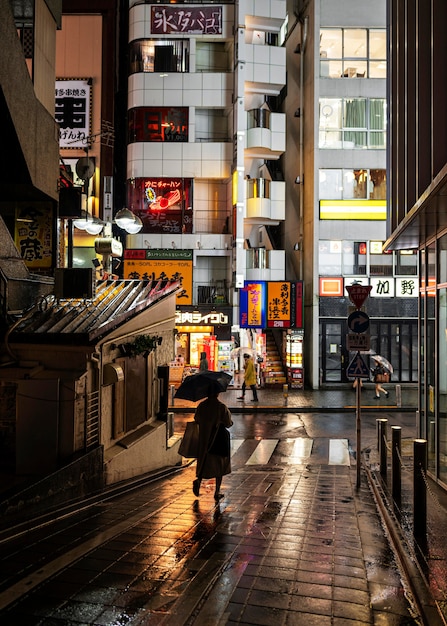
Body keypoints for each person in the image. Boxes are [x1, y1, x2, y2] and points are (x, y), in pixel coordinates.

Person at [193, 387, 233, 501]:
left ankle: (198, 481)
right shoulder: (221, 407)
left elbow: (196, 419)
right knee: (219, 465)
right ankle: (217, 491)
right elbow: (228, 423)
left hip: (204, 439)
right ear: (217, 393)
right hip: (218, 439)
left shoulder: (201, 406)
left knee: (203, 461)